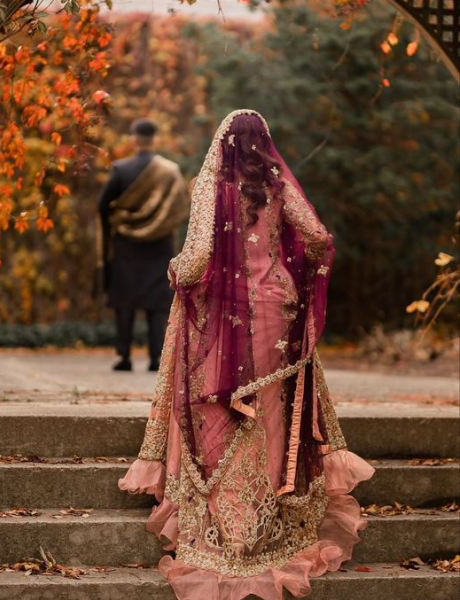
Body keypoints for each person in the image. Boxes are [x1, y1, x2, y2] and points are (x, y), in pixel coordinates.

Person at [118, 110, 375, 599]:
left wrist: (175, 274)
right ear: (264, 146)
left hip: (229, 317)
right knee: (272, 415)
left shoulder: (211, 186)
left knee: (226, 414)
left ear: (223, 144)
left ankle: (234, 530)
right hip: (279, 312)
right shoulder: (279, 185)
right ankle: (273, 519)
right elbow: (319, 239)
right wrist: (297, 270)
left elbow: (194, 260)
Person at [98, 118, 189, 372]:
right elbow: (181, 209)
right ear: (154, 139)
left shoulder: (120, 170)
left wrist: (117, 223)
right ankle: (156, 358)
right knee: (157, 304)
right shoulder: (170, 172)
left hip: (126, 248)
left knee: (125, 302)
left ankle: (124, 357)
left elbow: (101, 205)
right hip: (159, 248)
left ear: (133, 139)